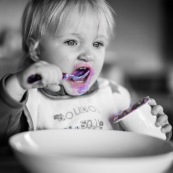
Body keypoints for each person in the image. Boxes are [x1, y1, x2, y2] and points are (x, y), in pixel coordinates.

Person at [0, 0, 172, 146]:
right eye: (72, 41)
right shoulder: (28, 100)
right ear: (36, 50)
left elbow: (143, 147)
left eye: (97, 44)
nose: (88, 55)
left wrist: (155, 130)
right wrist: (17, 84)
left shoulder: (114, 96)